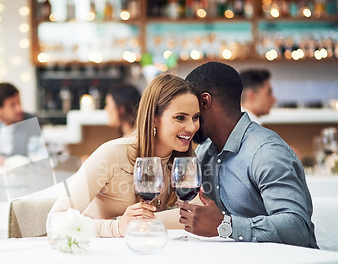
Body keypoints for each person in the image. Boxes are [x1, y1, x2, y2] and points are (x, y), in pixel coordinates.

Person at [179, 61, 318, 248]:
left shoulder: (265, 152)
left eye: (191, 110)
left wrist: (225, 225)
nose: (189, 121)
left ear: (204, 102)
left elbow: (298, 229)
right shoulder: (204, 153)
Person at [50, 73, 201, 237]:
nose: (192, 127)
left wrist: (144, 222)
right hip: (98, 254)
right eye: (180, 118)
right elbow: (55, 220)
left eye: (195, 117)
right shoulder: (112, 154)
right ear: (153, 119)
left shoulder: (185, 162)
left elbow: (195, 214)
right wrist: (116, 227)